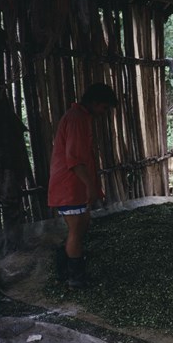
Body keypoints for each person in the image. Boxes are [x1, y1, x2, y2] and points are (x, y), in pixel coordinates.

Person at [48, 83, 117, 289]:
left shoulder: (81, 117)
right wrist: (91, 187)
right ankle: (75, 278)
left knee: (82, 226)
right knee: (76, 231)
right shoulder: (77, 119)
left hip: (74, 183)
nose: (104, 113)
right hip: (69, 184)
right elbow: (75, 160)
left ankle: (64, 271)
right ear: (95, 103)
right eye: (104, 108)